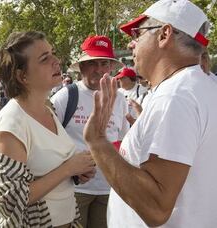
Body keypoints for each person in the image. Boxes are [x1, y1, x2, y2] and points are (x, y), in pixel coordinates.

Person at [83, 0, 217, 227]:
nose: (132, 44)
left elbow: (156, 208)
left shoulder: (176, 97)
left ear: (164, 34)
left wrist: (97, 142)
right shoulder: (200, 87)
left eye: (138, 33)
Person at [0, 31, 97, 227]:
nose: (57, 60)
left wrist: (76, 173)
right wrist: (68, 168)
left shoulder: (47, 108)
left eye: (52, 53)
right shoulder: (13, 123)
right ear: (22, 76)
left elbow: (47, 168)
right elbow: (10, 201)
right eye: (45, 58)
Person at [51, 35, 129, 228]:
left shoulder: (119, 99)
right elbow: (49, 141)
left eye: (104, 64)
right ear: (82, 67)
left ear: (111, 67)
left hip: (108, 189)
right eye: (93, 63)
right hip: (73, 187)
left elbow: (122, 141)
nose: (99, 69)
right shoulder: (65, 97)